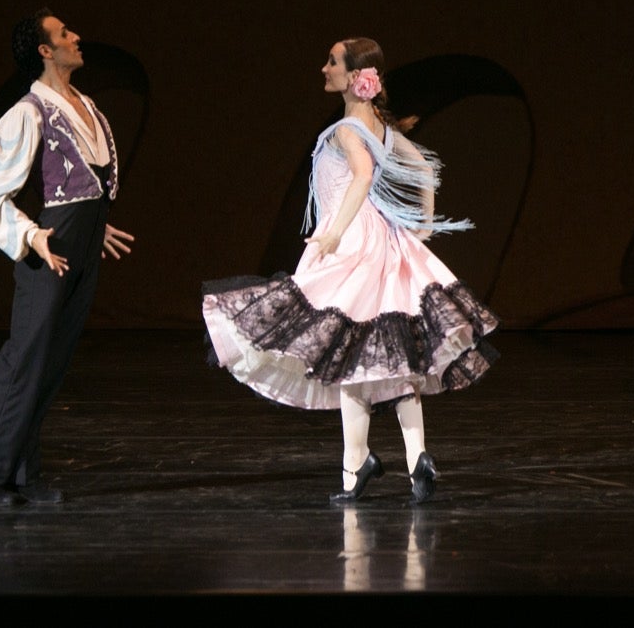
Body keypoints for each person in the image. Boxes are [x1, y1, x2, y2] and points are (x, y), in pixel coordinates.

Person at [202, 37, 498, 504]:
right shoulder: (379, 127)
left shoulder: (347, 130)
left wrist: (336, 233)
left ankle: (356, 466)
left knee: (351, 355)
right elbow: (422, 168)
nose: (325, 69)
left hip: (356, 242)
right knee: (384, 356)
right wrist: (419, 226)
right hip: (383, 240)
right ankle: (408, 457)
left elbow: (361, 177)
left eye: (333, 62)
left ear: (357, 76)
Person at [0, 8, 135, 507]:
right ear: (45, 50)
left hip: (80, 242)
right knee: (26, 359)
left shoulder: (86, 104)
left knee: (51, 364)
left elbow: (81, 186)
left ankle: (22, 470)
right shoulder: (28, 113)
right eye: (64, 33)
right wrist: (32, 235)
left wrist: (94, 228)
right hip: (49, 249)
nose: (76, 36)